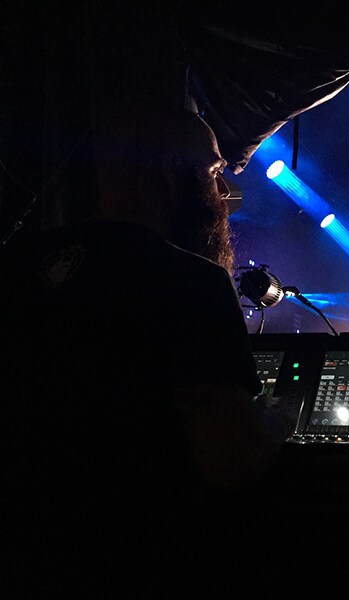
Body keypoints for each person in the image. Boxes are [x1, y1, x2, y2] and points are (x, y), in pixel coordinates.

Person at [0, 93, 295, 598]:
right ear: (170, 169)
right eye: (214, 171)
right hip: (138, 564)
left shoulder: (19, 266)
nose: (223, 190)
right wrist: (276, 419)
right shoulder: (192, 282)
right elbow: (229, 460)